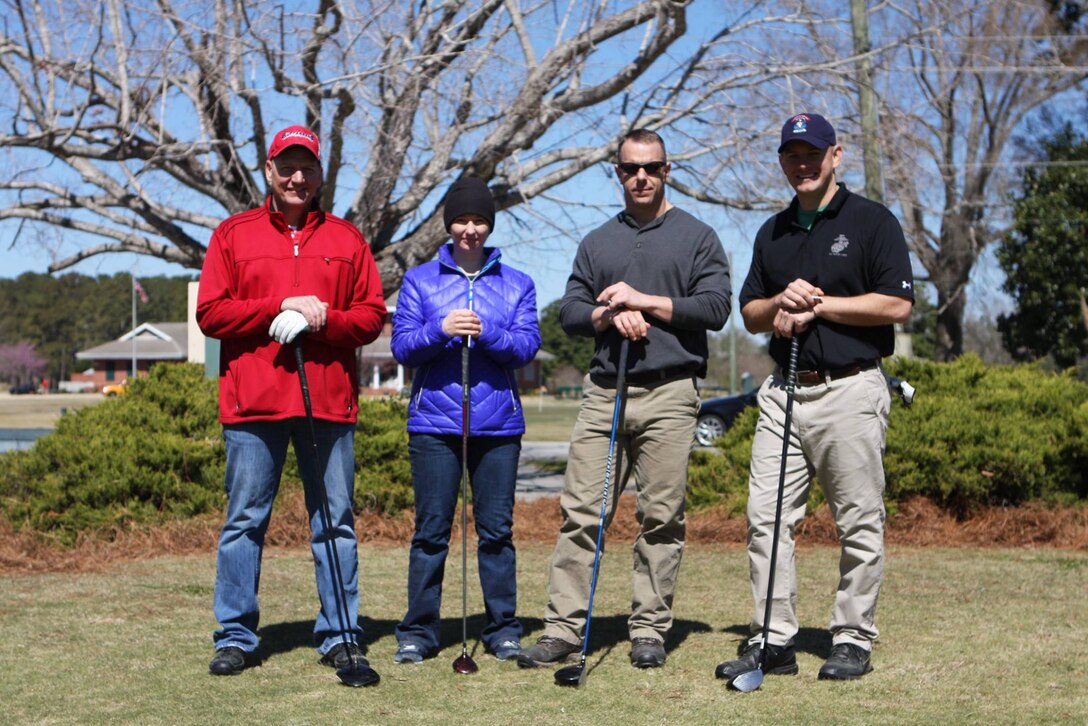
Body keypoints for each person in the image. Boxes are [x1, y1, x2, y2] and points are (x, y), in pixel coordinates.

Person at [518, 129, 731, 671]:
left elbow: (714, 307)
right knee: (582, 513)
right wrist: (608, 314)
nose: (641, 177)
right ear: (618, 173)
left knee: (661, 517)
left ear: (666, 170)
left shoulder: (698, 236)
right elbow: (569, 312)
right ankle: (563, 630)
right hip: (604, 391)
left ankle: (649, 630)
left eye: (651, 167)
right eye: (629, 168)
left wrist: (644, 301)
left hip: (671, 393)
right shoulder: (597, 242)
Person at [715, 113, 914, 683]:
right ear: (782, 161)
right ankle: (773, 640)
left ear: (836, 155)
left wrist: (820, 305)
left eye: (812, 153)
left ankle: (851, 638)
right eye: (791, 155)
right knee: (766, 518)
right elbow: (750, 312)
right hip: (784, 392)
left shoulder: (872, 222)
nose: (802, 164)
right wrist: (780, 303)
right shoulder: (772, 231)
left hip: (851, 388)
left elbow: (897, 305)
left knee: (858, 521)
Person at [197, 125, 387, 677]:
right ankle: (235, 634)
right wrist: (276, 304)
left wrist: (321, 318)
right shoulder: (233, 235)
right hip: (253, 407)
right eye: (287, 166)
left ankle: (341, 634)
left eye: (307, 167)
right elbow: (210, 313)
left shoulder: (348, 240)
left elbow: (371, 317)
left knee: (335, 524)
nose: (297, 177)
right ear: (269, 170)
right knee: (244, 523)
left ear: (321, 173)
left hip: (327, 406)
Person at [390, 176, 541, 664]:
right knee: (431, 532)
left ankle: (502, 629)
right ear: (448, 223)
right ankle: (419, 630)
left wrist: (488, 330)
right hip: (434, 425)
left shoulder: (517, 283)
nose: (470, 229)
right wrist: (441, 327)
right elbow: (402, 346)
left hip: (498, 428)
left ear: (489, 225)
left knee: (496, 533)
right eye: (462, 219)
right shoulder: (419, 280)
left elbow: (525, 348)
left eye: (479, 220)